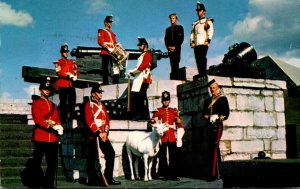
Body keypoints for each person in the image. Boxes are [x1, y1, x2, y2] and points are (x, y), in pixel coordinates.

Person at [84, 84, 121, 186]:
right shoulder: (89, 105)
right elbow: (89, 121)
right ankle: (92, 179)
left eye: (101, 93)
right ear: (93, 94)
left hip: (103, 135)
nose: (100, 94)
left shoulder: (102, 106)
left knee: (111, 153)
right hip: (94, 135)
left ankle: (108, 178)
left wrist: (105, 132)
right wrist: (99, 133)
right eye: (98, 93)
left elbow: (107, 120)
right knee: (92, 157)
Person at [31, 77, 64, 188]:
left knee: (52, 163)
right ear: (40, 90)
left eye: (48, 89)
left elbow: (56, 118)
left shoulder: (53, 105)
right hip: (41, 136)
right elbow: (37, 118)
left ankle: (48, 184)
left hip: (52, 138)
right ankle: (36, 183)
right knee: (37, 162)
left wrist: (59, 126)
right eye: (45, 89)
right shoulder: (36, 103)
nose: (47, 91)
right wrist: (49, 126)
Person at [152, 91, 185, 181]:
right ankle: (165, 174)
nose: (166, 102)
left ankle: (172, 174)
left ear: (169, 101)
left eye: (167, 100)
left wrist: (180, 133)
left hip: (171, 135)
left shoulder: (173, 111)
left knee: (173, 156)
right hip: (162, 136)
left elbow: (178, 122)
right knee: (162, 156)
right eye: (164, 100)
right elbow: (153, 123)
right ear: (162, 101)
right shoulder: (158, 111)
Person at [202, 79, 230, 181]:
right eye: (211, 89)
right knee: (211, 148)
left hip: (217, 126)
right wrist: (209, 118)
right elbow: (204, 114)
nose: (212, 90)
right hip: (209, 126)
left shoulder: (223, 99)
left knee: (214, 146)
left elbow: (226, 113)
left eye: (214, 88)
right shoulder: (207, 101)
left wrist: (217, 117)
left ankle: (213, 174)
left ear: (217, 88)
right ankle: (218, 172)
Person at [128, 37, 152, 121]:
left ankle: (143, 115)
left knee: (141, 97)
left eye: (140, 45)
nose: (139, 47)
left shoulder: (147, 54)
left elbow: (142, 67)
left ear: (144, 45)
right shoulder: (142, 55)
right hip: (139, 78)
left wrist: (132, 71)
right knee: (140, 97)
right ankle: (142, 115)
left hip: (143, 79)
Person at [54, 43, 80, 122]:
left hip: (70, 84)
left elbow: (76, 70)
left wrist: (75, 75)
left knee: (73, 100)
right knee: (63, 102)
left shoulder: (71, 62)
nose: (66, 53)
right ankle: (63, 117)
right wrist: (67, 76)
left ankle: (71, 116)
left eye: (66, 52)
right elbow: (58, 72)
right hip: (62, 84)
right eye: (64, 52)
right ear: (61, 53)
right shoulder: (58, 62)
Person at [190, 1, 214, 78]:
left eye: (200, 11)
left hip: (203, 43)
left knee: (202, 58)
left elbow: (211, 30)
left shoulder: (207, 21)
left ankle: (203, 73)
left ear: (204, 11)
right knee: (197, 59)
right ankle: (200, 73)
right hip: (196, 44)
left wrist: (208, 40)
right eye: (197, 11)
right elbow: (192, 34)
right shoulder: (195, 23)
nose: (198, 12)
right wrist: (192, 42)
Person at [98, 15, 120, 85]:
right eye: (109, 22)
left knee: (115, 67)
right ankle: (106, 83)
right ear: (105, 23)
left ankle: (115, 83)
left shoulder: (112, 33)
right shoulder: (102, 31)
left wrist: (117, 46)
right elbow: (100, 41)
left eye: (111, 22)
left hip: (113, 52)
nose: (110, 23)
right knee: (105, 68)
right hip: (106, 52)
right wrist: (107, 47)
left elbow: (114, 43)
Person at [164, 13, 184, 80]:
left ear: (176, 19)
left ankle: (176, 78)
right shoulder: (168, 29)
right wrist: (168, 47)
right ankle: (173, 78)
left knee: (176, 63)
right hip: (170, 49)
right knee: (172, 64)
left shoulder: (180, 27)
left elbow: (181, 38)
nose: (172, 20)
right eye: (171, 18)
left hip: (177, 48)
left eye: (173, 18)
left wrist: (175, 46)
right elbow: (166, 39)